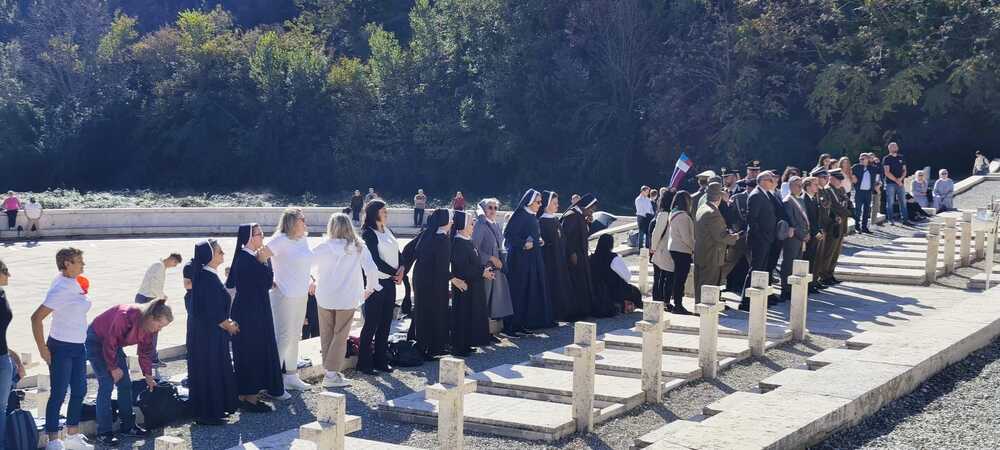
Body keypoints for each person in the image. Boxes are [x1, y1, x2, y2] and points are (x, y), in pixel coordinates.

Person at [30, 248, 94, 450]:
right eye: (79, 261)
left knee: (80, 390)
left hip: (78, 346)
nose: (83, 265)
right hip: (61, 347)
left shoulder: (70, 281)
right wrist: (42, 348)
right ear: (67, 263)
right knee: (58, 393)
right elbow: (36, 318)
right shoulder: (59, 288)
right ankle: (53, 440)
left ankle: (72, 436)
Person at [86, 301, 172, 445]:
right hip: (97, 340)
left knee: (125, 384)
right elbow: (109, 342)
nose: (160, 330)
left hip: (114, 346)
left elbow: (145, 352)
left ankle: (128, 426)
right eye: (160, 325)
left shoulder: (151, 329)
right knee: (106, 384)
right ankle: (104, 432)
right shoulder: (125, 316)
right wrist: (113, 368)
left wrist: (148, 376)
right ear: (151, 318)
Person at [311, 214, 381, 386]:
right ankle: (331, 375)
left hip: (325, 295)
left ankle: (330, 372)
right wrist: (369, 289)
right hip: (347, 297)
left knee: (327, 334)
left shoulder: (322, 246)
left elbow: (305, 265)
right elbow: (372, 270)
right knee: (340, 335)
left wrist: (310, 281)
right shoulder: (358, 246)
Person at [226, 224, 286, 409]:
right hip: (251, 311)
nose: (262, 237)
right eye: (259, 234)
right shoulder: (247, 258)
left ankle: (246, 393)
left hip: (253, 308)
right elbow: (266, 281)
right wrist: (265, 261)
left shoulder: (245, 257)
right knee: (251, 350)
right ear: (251, 238)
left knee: (251, 350)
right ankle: (250, 397)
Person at [188, 240, 239, 425]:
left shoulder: (208, 275)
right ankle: (208, 413)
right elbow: (212, 311)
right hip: (208, 336)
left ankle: (216, 410)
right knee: (209, 372)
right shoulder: (206, 279)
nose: (223, 254)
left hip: (212, 335)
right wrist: (229, 325)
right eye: (219, 251)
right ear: (209, 256)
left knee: (215, 371)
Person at [264, 208, 314, 390]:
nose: (305, 222)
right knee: (283, 337)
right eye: (302, 219)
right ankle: (273, 381)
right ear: (292, 222)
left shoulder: (303, 239)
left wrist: (311, 279)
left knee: (295, 336)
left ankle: (291, 376)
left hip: (301, 294)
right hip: (283, 294)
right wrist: (270, 279)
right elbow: (259, 257)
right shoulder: (280, 240)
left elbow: (304, 264)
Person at [359, 200, 403, 374]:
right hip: (375, 283)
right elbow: (375, 261)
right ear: (374, 213)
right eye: (383, 210)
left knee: (386, 323)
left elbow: (398, 253)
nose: (387, 213)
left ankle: (381, 360)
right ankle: (364, 362)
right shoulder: (368, 234)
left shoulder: (388, 230)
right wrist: (394, 272)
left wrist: (402, 269)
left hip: (390, 283)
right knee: (371, 323)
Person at [505, 189, 555, 332]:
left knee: (528, 291)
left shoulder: (532, 216)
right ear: (530, 202)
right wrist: (523, 244)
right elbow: (508, 234)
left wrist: (539, 240)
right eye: (538, 202)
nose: (540, 204)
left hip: (532, 259)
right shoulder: (521, 215)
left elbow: (530, 233)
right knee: (519, 291)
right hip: (520, 260)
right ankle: (512, 326)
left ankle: (522, 323)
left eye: (541, 202)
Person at [450, 211, 494, 356]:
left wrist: (483, 269)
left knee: (470, 315)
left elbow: (473, 263)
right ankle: (459, 347)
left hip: (473, 285)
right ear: (462, 226)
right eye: (470, 223)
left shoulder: (466, 240)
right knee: (462, 316)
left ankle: (467, 343)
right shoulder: (459, 243)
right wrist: (481, 272)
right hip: (464, 287)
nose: (473, 226)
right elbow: (462, 268)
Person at [411, 208, 453, 356]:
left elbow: (410, 251)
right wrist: (453, 278)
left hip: (422, 279)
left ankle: (425, 345)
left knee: (423, 311)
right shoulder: (442, 239)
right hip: (433, 281)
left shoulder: (427, 234)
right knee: (434, 312)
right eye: (450, 218)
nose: (452, 221)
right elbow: (441, 266)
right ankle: (433, 348)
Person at [471, 199, 514, 332]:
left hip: (497, 268)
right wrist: (490, 258)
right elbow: (474, 249)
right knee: (485, 301)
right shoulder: (480, 225)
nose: (493, 210)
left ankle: (490, 330)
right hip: (486, 268)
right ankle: (482, 332)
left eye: (495, 208)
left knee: (495, 302)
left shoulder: (495, 224)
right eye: (490, 207)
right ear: (484, 209)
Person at [694, 183, 740, 305]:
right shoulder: (712, 213)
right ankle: (705, 310)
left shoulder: (702, 207)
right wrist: (736, 237)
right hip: (712, 253)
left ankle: (700, 306)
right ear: (719, 197)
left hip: (702, 251)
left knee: (701, 282)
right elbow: (721, 236)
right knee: (709, 282)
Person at [740, 172, 780, 311]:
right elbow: (752, 219)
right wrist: (761, 236)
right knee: (755, 269)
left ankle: (757, 298)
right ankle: (745, 301)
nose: (772, 182)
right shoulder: (756, 195)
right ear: (762, 181)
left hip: (767, 238)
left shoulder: (766, 194)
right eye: (770, 180)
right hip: (760, 239)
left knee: (762, 270)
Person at [135, 252, 182, 366]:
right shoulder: (159, 267)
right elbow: (154, 286)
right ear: (172, 260)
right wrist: (162, 297)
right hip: (148, 299)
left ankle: (148, 357)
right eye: (175, 264)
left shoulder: (158, 264)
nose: (173, 266)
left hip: (144, 297)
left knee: (147, 331)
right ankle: (151, 359)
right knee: (153, 329)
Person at [563, 194, 605, 317]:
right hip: (575, 255)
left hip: (582, 254)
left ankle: (584, 309)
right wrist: (571, 253)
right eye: (591, 209)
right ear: (585, 206)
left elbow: (582, 235)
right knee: (576, 283)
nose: (592, 211)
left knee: (583, 282)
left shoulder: (581, 216)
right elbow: (567, 237)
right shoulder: (571, 215)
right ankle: (576, 311)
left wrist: (588, 223)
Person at [0, 260, 27, 446]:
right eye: (5, 271)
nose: (9, 275)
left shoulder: (2, 295)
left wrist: (14, 356)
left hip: (3, 358)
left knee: (1, 407)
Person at [537, 191, 574, 322]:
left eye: (557, 203)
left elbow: (562, 238)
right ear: (546, 205)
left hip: (560, 259)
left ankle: (563, 312)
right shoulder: (541, 222)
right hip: (550, 261)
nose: (557, 206)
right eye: (554, 203)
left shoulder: (555, 219)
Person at [817, 170, 852, 286]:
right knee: (829, 250)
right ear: (831, 179)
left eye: (841, 180)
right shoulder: (828, 190)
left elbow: (847, 202)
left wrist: (850, 211)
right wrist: (849, 213)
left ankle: (830, 273)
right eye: (837, 179)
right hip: (833, 224)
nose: (840, 182)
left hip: (841, 224)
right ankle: (823, 274)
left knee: (836, 251)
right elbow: (834, 207)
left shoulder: (840, 190)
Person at [590, 234, 641, 313]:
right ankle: (623, 305)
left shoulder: (592, 258)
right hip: (614, 291)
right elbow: (627, 276)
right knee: (636, 292)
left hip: (596, 291)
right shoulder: (613, 258)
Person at [664, 191, 695, 314]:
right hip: (682, 249)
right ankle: (678, 305)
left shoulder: (673, 213)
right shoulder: (683, 216)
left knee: (676, 277)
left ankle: (675, 303)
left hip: (673, 247)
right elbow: (686, 238)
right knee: (680, 279)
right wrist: (694, 248)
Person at [780, 177, 810, 301]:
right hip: (793, 237)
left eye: (801, 185)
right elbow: (792, 221)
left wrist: (807, 232)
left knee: (797, 262)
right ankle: (785, 289)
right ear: (791, 186)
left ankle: (793, 288)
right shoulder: (788, 201)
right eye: (797, 185)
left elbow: (804, 219)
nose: (800, 188)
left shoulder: (800, 200)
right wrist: (803, 234)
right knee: (789, 263)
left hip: (801, 236)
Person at [651, 188, 674, 309]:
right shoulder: (674, 214)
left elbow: (656, 233)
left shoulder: (663, 214)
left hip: (660, 250)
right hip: (669, 250)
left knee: (658, 277)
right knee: (667, 278)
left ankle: (657, 300)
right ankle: (665, 301)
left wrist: (652, 248)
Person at [801, 177, 826, 293]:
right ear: (807, 186)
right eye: (815, 184)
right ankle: (807, 285)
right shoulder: (804, 199)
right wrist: (815, 232)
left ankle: (811, 283)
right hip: (809, 235)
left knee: (813, 259)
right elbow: (808, 219)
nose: (817, 186)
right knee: (807, 259)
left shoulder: (813, 198)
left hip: (815, 232)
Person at [882, 142, 911, 225]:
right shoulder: (886, 158)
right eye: (892, 147)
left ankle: (905, 220)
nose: (894, 148)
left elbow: (904, 170)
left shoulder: (901, 157)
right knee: (890, 201)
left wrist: (901, 179)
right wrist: (896, 180)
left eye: (895, 146)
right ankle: (891, 219)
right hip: (890, 183)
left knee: (903, 201)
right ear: (889, 148)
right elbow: (887, 172)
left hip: (900, 183)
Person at [851, 154, 878, 233]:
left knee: (867, 210)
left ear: (868, 160)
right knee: (858, 210)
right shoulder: (856, 167)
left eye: (864, 159)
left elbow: (880, 170)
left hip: (868, 192)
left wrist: (876, 162)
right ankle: (857, 226)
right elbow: (849, 172)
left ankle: (864, 227)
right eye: (860, 159)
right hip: (859, 192)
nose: (861, 160)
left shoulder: (872, 168)